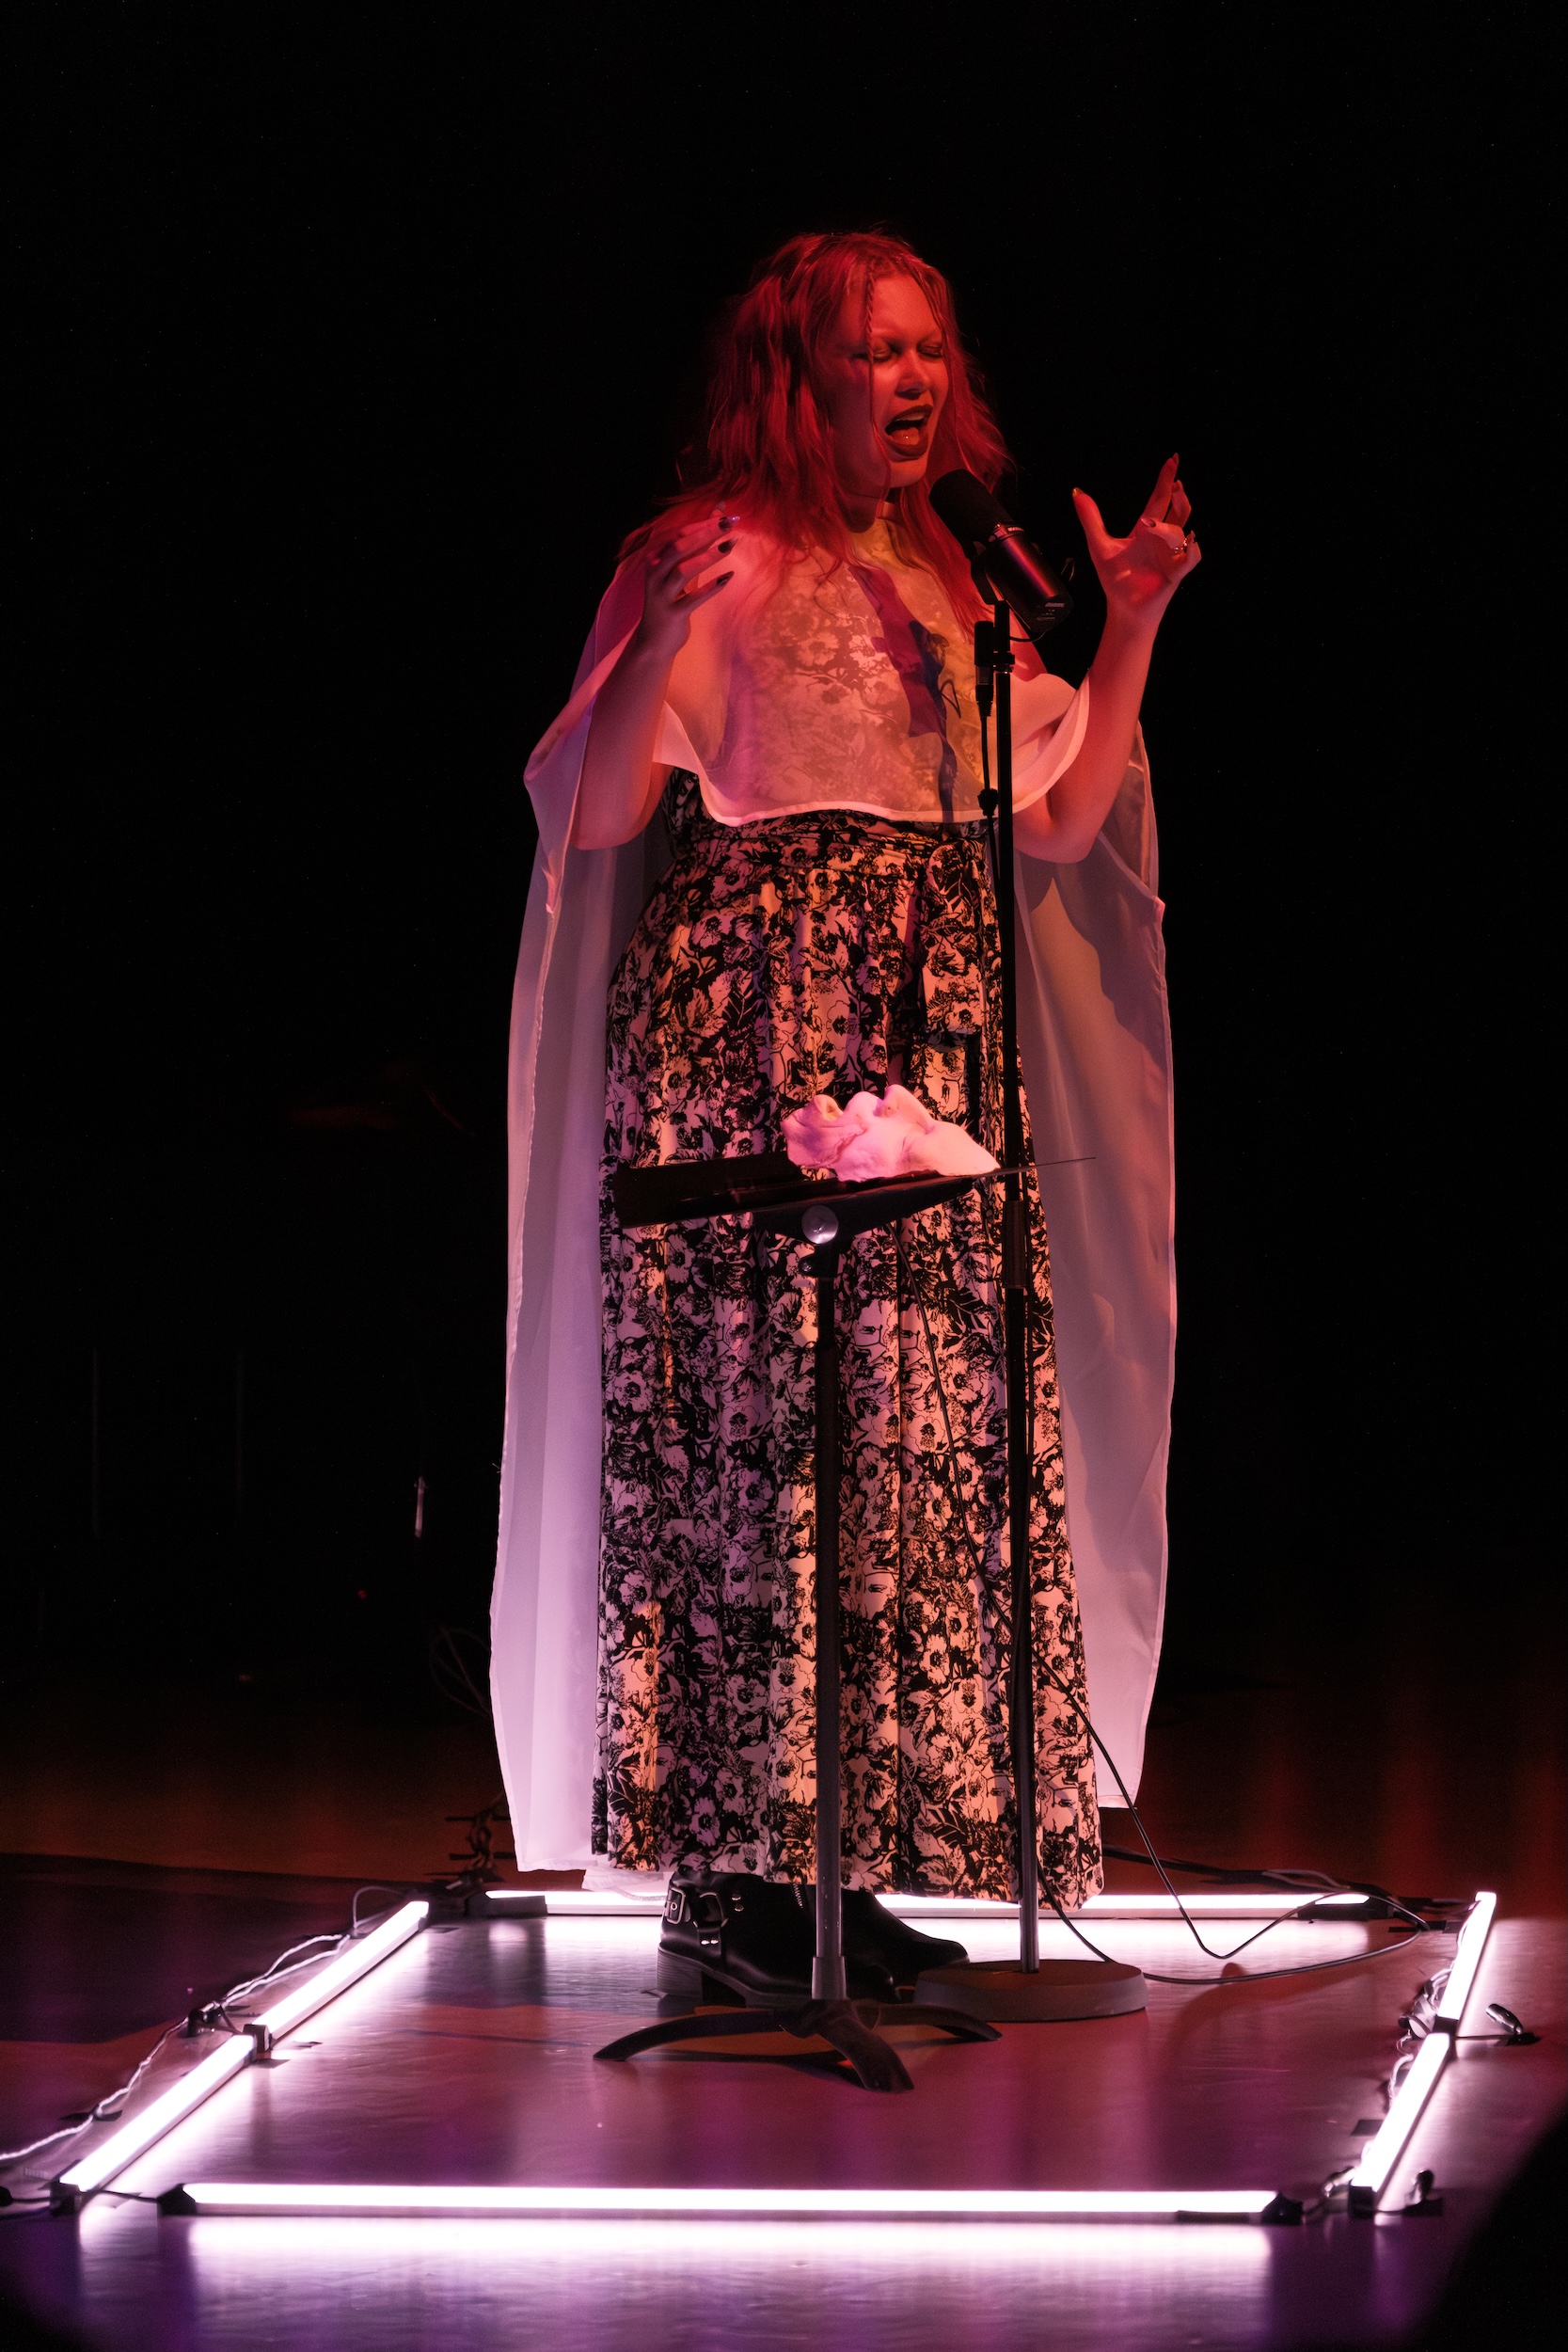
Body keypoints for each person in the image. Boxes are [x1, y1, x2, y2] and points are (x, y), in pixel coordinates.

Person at [493, 230, 1196, 2001]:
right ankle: (727, 1878)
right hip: (756, 1035)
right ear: (796, 378)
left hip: (930, 1048)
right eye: (876, 351)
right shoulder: (699, 554)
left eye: (930, 349)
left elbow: (1055, 818)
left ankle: (846, 1858)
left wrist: (1129, 624)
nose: (914, 380)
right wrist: (656, 643)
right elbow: (592, 816)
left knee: (907, 1450)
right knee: (756, 1443)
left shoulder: (952, 575)